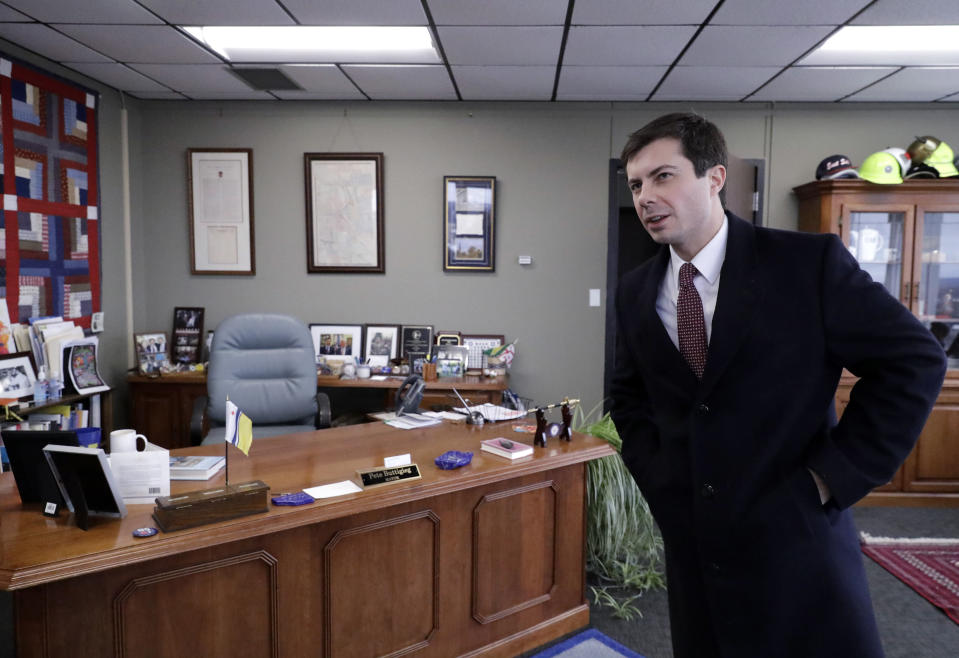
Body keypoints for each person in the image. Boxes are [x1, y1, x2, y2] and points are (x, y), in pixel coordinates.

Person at [610, 112, 946, 658]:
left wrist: (832, 476)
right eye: (636, 184)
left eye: (663, 176)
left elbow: (914, 361)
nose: (646, 195)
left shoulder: (805, 265)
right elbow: (630, 398)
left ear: (714, 178)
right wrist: (660, 478)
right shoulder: (634, 291)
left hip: (797, 537)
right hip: (695, 541)